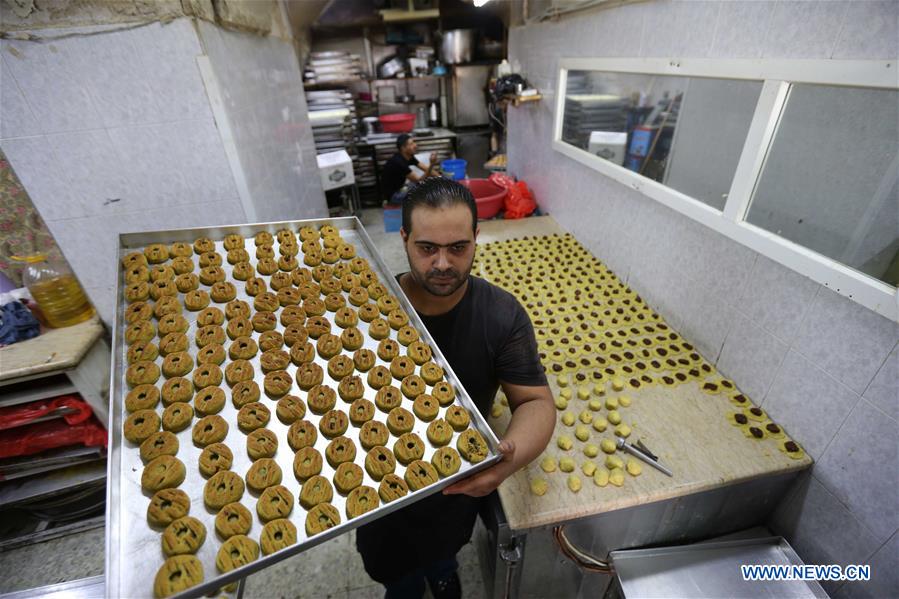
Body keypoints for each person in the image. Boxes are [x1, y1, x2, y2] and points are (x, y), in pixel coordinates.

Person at [355, 177, 555, 598]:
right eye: (427, 248)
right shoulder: (368, 309)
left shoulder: (501, 315)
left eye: (458, 248)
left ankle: (443, 572)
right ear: (404, 239)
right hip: (380, 493)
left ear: (476, 238)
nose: (443, 263)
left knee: (444, 551)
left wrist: (509, 458)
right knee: (396, 573)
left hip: (457, 486)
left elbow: (535, 402)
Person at [381, 134, 439, 205]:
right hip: (394, 196)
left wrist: (442, 178)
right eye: (411, 144)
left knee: (429, 184)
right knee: (427, 193)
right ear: (403, 148)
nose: (415, 145)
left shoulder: (408, 156)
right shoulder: (399, 162)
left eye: (414, 142)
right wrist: (432, 164)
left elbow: (425, 168)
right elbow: (420, 180)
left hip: (401, 187)